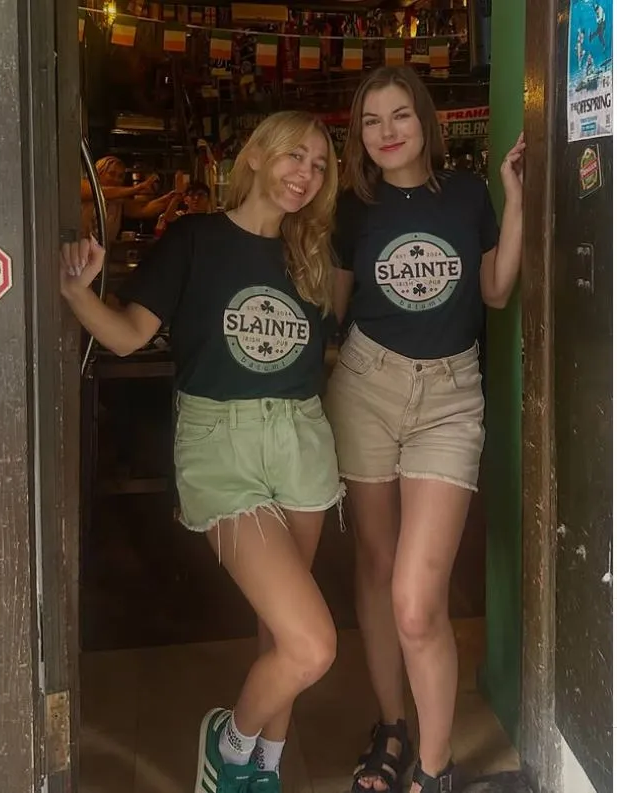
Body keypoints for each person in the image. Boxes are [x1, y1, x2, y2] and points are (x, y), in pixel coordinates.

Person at [61, 111, 342, 793]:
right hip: (222, 443)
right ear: (254, 156)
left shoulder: (311, 255)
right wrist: (75, 291)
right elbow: (128, 334)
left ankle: (263, 771)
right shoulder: (193, 239)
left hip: (301, 439)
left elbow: (323, 353)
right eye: (292, 156)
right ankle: (230, 740)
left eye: (318, 164)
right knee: (313, 644)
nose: (304, 174)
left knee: (280, 632)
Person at [324, 66, 525, 793]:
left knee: (417, 599)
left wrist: (518, 196)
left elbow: (496, 291)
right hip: (366, 388)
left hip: (448, 396)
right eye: (371, 121)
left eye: (399, 116)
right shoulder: (351, 207)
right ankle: (394, 728)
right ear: (360, 134)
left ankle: (434, 771)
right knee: (376, 570)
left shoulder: (469, 195)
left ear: (426, 122)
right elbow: (334, 310)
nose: (386, 132)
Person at [81, 155, 180, 243]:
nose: (116, 179)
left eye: (120, 176)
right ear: (98, 172)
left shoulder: (117, 201)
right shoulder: (83, 186)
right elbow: (100, 193)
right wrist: (138, 188)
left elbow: (143, 209)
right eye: (111, 174)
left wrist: (170, 198)